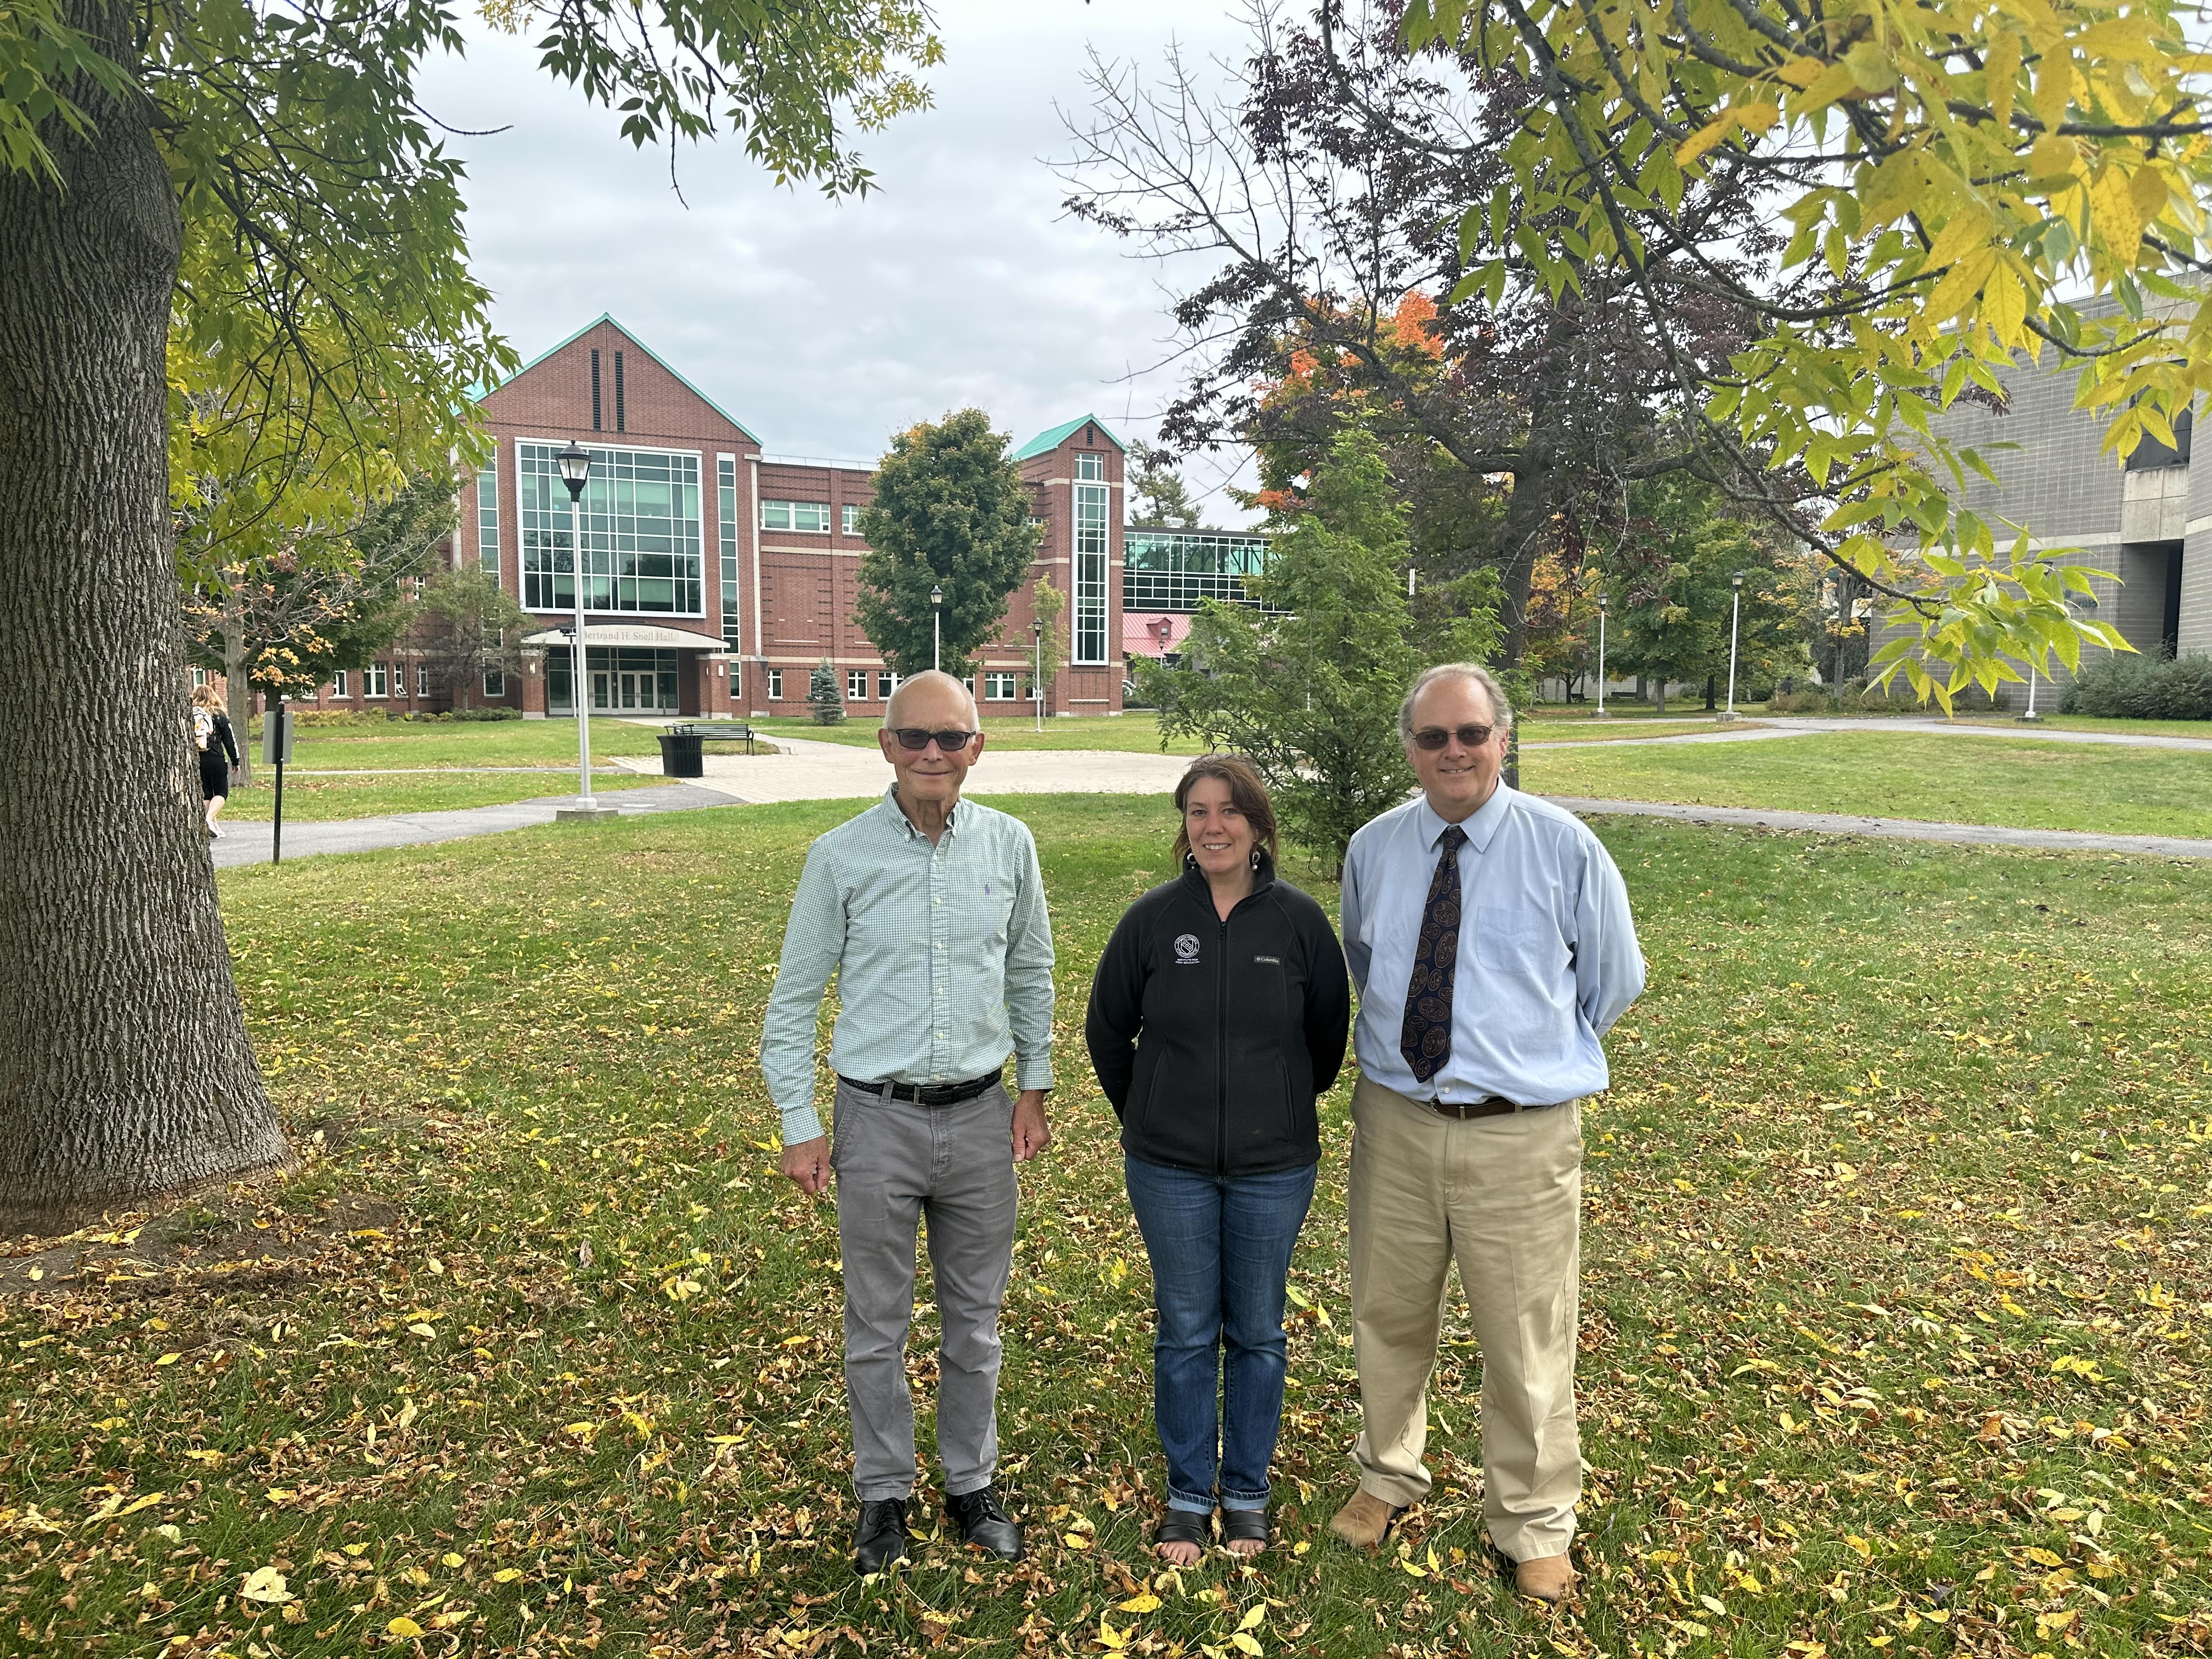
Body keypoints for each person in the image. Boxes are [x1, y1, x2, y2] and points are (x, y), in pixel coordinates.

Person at [1329, 663, 1644, 1605]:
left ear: (1502, 739)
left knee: (1525, 1335)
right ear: (1411, 748)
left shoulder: (1564, 847)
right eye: (1433, 738)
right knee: (1388, 1314)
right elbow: (1363, 958)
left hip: (1521, 1134)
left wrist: (1521, 1055)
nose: (1453, 752)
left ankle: (1534, 1518)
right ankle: (1387, 1472)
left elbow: (1611, 981)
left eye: (1470, 733)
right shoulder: (1375, 848)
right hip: (1396, 1120)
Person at [760, 670, 1057, 1576]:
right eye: (916, 737)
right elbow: (793, 997)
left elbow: (1032, 971)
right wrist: (801, 1120)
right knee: (875, 1323)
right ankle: (882, 1493)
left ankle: (971, 1481)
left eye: (952, 738)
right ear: (884, 744)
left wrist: (1035, 1085)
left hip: (978, 1119)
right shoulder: (838, 856)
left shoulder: (1010, 845)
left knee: (975, 1322)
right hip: (874, 1121)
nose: (934, 753)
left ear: (978, 746)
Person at [1086, 754, 1350, 1565]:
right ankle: (1188, 1495)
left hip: (1276, 1166)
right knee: (1188, 1332)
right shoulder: (1153, 920)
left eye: (1229, 810)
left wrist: (1276, 1104)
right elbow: (1107, 1029)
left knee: (1261, 1333)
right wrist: (1151, 1112)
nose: (1213, 826)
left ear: (1258, 824)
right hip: (1170, 1167)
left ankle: (1246, 1495)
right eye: (1197, 811)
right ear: (1184, 827)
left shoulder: (1301, 923)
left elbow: (1327, 1041)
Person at [190, 684, 241, 839]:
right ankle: (208, 820)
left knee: (207, 793)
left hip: (197, 758)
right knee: (221, 792)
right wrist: (235, 760)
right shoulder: (219, 715)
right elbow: (229, 739)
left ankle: (213, 826)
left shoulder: (191, 714)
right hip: (215, 757)